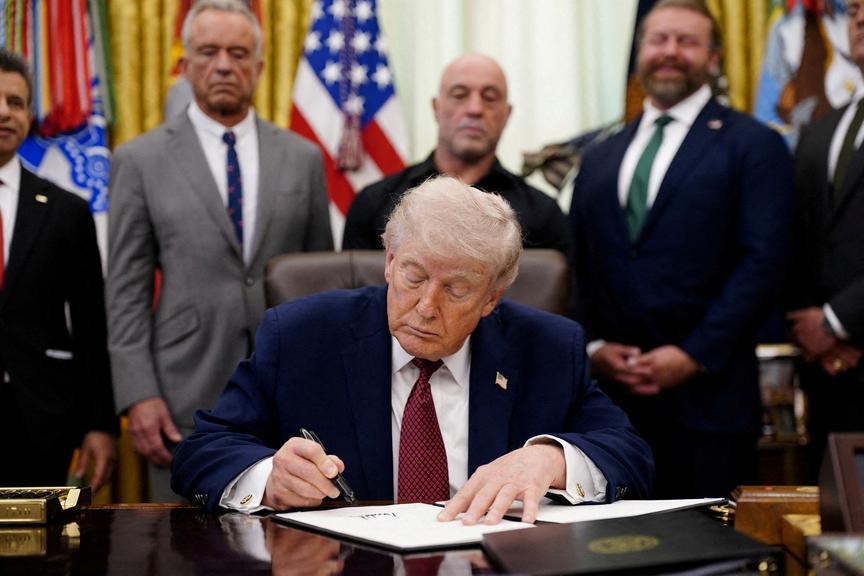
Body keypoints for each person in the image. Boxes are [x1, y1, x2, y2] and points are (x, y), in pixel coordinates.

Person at [172, 176, 653, 523]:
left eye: (456, 290)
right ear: (389, 261)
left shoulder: (548, 348)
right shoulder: (301, 336)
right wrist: (268, 478)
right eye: (414, 276)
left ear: (491, 299)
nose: (426, 307)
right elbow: (203, 451)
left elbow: (631, 455)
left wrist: (552, 460)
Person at [107, 0, 333, 500]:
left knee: (295, 537)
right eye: (209, 52)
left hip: (291, 394)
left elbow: (320, 284)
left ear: (260, 65)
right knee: (181, 540)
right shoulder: (139, 159)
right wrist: (139, 395)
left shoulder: (302, 157)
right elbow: (124, 292)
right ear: (185, 64)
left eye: (238, 53)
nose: (224, 65)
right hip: (184, 396)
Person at [569, 0, 793, 498]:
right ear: (640, 52)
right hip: (609, 412)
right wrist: (594, 347)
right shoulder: (601, 154)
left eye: (686, 41)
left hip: (711, 404)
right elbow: (581, 263)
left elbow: (764, 262)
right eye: (658, 39)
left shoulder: (753, 145)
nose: (669, 51)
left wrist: (693, 354)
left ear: (713, 58)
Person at [0, 49, 117, 489]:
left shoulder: (65, 211)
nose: (4, 112)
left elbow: (91, 324)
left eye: (16, 102)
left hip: (41, 419)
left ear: (29, 114)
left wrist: (100, 423)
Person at [342, 53, 571, 258]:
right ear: (436, 107)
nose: (475, 109)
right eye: (459, 95)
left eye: (490, 97)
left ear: (507, 113)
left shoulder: (543, 214)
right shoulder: (374, 203)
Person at [787, 0, 864, 479]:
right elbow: (797, 237)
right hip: (828, 375)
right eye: (854, 11)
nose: (860, 19)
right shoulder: (822, 128)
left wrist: (838, 322)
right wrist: (812, 328)